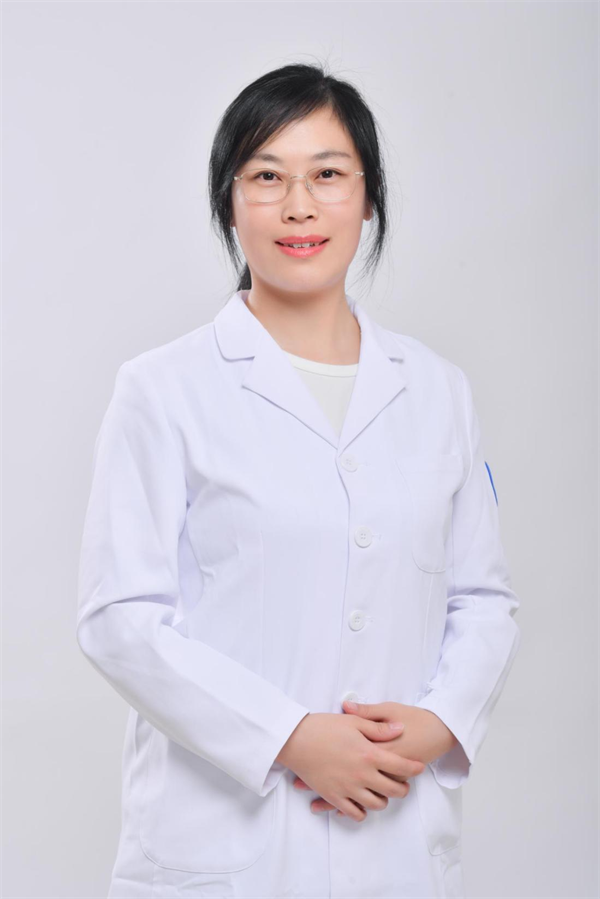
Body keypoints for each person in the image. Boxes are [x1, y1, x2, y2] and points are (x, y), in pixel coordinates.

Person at [76, 60, 522, 899]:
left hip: (397, 839)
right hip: (226, 846)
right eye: (266, 177)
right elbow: (119, 618)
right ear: (228, 201)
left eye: (327, 175)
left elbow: (483, 599)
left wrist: (439, 721)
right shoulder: (164, 388)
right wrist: (288, 737)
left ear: (368, 196)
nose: (298, 206)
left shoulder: (438, 391)